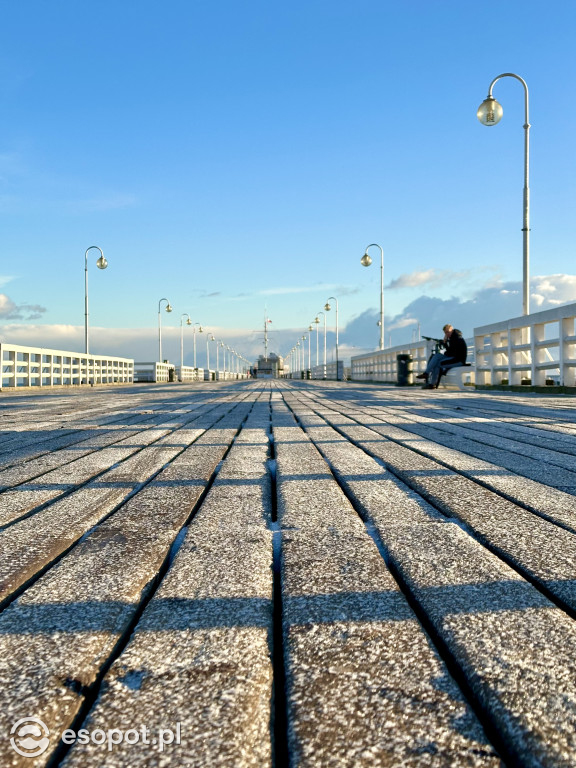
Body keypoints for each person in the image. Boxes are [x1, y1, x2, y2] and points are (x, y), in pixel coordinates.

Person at [416, 324, 467, 388]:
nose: (447, 334)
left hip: (458, 360)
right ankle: (426, 374)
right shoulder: (452, 337)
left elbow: (451, 352)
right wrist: (445, 343)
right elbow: (450, 352)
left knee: (437, 363)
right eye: (445, 333)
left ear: (452, 330)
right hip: (452, 358)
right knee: (437, 356)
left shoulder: (456, 337)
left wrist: (445, 343)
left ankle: (431, 384)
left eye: (448, 332)